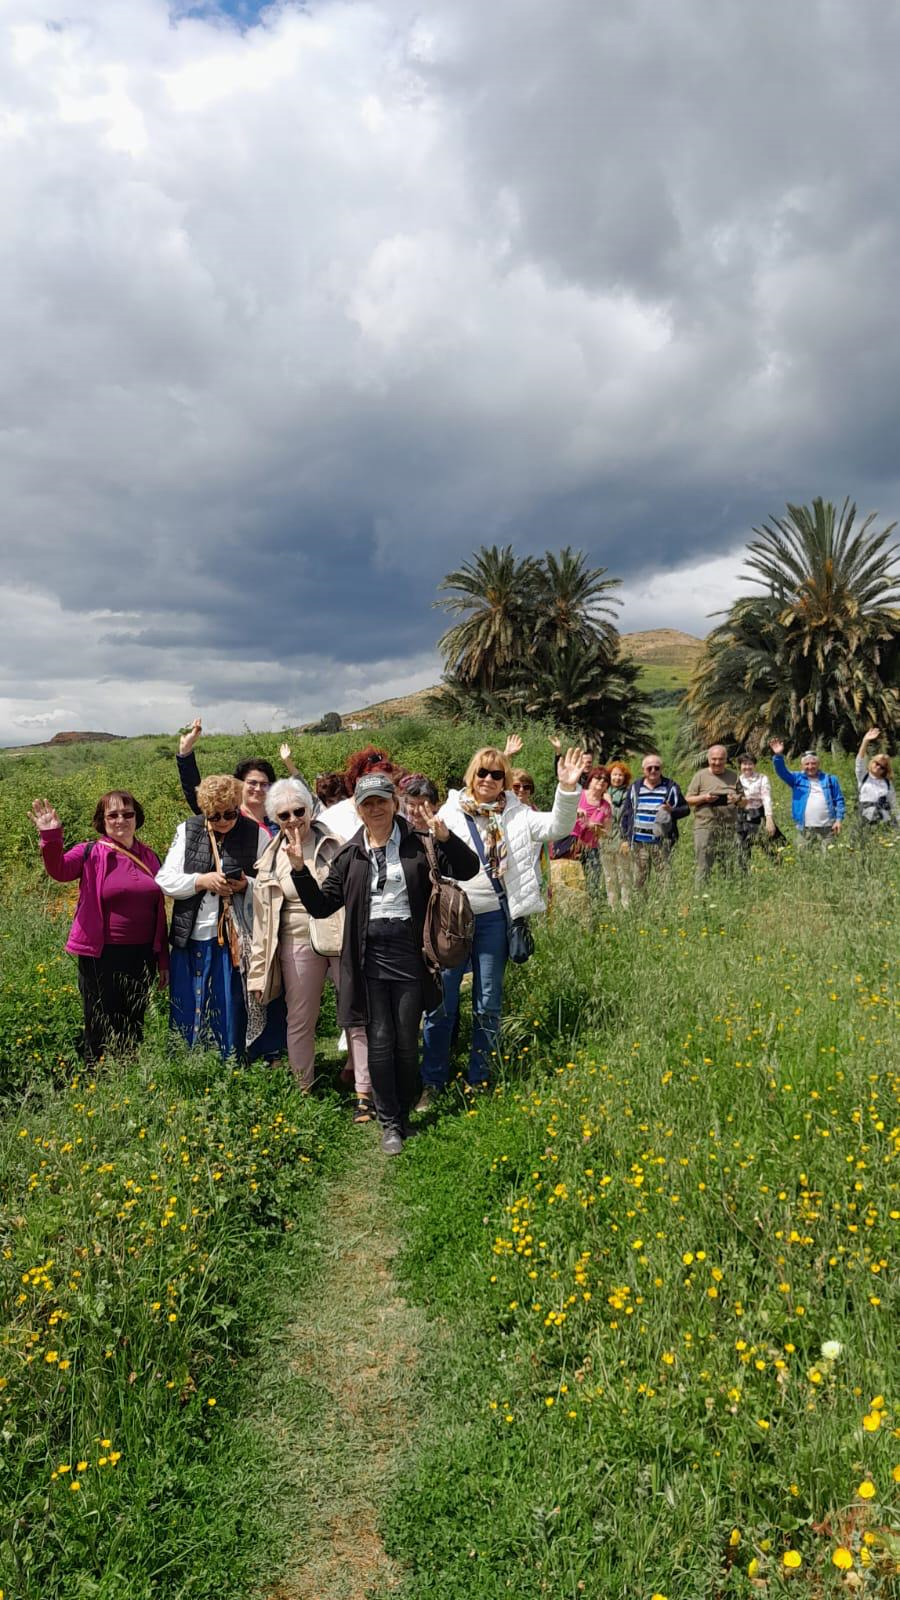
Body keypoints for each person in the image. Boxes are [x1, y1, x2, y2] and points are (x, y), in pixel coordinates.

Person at [287, 772, 480, 1154]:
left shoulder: (420, 843)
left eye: (381, 800)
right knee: (379, 1039)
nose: (375, 808)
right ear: (358, 810)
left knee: (406, 1040)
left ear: (394, 803)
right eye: (367, 803)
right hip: (367, 956)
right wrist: (299, 869)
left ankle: (404, 1112)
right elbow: (321, 906)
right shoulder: (349, 855)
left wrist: (446, 838)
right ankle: (389, 1121)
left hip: (410, 953)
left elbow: (469, 868)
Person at [418, 744, 584, 1102]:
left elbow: (558, 826)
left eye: (497, 774)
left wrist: (567, 789)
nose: (489, 780)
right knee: (442, 1001)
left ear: (505, 780)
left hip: (495, 919)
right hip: (454, 922)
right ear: (471, 775)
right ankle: (432, 1080)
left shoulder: (517, 814)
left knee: (488, 1002)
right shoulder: (450, 812)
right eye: (483, 773)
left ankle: (480, 1077)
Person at [247, 778, 373, 1119]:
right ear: (275, 818)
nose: (292, 820)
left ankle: (365, 1090)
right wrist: (259, 971)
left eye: (298, 811)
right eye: (283, 815)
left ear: (309, 808)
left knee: (356, 1015)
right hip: (296, 941)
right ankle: (303, 1087)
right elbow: (263, 920)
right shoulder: (270, 859)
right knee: (300, 1018)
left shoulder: (336, 845)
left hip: (340, 939)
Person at [31, 791, 168, 1064]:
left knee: (134, 1019)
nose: (121, 820)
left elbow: (160, 913)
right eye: (112, 815)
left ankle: (128, 1075)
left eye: (127, 814)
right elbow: (59, 870)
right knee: (100, 1020)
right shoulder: (89, 852)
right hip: (101, 954)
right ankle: (97, 1074)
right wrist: (50, 836)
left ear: (136, 818)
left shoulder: (150, 856)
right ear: (102, 821)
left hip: (142, 954)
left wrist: (163, 959)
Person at [157, 775, 268, 1060]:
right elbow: (165, 880)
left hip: (236, 937)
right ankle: (186, 1061)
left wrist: (246, 885)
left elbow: (273, 884)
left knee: (229, 1002)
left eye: (230, 813)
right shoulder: (188, 830)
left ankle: (229, 1061)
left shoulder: (257, 834)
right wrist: (201, 881)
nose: (223, 821)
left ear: (237, 805)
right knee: (189, 999)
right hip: (192, 935)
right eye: (214, 816)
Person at [177, 718, 281, 835]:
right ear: (239, 784)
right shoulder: (228, 816)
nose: (258, 788)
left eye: (264, 784)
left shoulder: (281, 818)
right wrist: (185, 753)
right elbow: (197, 796)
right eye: (252, 783)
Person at [619, 755, 689, 890]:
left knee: (664, 879)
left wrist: (671, 811)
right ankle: (640, 908)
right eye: (649, 768)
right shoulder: (635, 787)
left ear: (661, 769)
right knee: (639, 880)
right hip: (639, 843)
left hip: (661, 842)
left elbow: (685, 809)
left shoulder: (671, 787)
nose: (653, 771)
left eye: (656, 768)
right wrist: (624, 838)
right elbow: (626, 813)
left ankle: (664, 908)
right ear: (643, 770)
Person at [770, 741, 845, 847]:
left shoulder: (830, 779)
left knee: (829, 859)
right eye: (807, 764)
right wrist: (778, 755)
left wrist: (838, 820)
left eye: (813, 763)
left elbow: (839, 800)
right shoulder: (797, 779)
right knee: (804, 857)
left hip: (828, 827)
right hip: (806, 827)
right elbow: (782, 772)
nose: (810, 766)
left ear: (818, 764)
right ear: (802, 766)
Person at [686, 745, 740, 884]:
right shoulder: (700, 776)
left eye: (721, 759)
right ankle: (701, 898)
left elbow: (744, 802)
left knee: (728, 865)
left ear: (726, 759)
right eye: (714, 759)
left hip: (728, 827)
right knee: (703, 865)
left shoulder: (734, 776)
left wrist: (737, 799)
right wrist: (704, 798)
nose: (717, 762)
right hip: (705, 826)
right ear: (708, 759)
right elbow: (688, 799)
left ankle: (727, 893)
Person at [571, 766, 612, 909]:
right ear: (590, 780)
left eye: (605, 780)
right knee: (571, 880)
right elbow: (562, 813)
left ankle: (590, 910)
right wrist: (576, 811)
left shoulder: (606, 806)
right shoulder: (578, 795)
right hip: (572, 844)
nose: (601, 781)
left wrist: (597, 828)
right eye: (598, 778)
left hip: (592, 847)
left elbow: (608, 832)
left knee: (592, 881)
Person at [733, 752, 779, 866]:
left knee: (768, 847)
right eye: (744, 764)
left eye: (750, 764)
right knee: (742, 850)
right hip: (741, 818)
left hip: (758, 816)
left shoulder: (762, 778)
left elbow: (766, 798)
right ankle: (744, 875)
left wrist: (769, 819)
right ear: (740, 766)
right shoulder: (736, 780)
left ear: (754, 765)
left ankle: (779, 870)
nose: (747, 767)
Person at [855, 728, 900, 829]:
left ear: (885, 770)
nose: (879, 767)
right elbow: (860, 761)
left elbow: (894, 804)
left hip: (884, 821)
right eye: (877, 763)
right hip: (865, 819)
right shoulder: (863, 776)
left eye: (883, 767)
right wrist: (865, 741)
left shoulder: (887, 783)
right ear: (872, 762)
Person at [603, 760, 633, 908]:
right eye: (614, 775)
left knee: (624, 875)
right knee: (609, 876)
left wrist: (626, 839)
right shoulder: (603, 793)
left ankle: (626, 905)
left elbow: (626, 816)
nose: (617, 778)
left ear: (625, 777)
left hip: (622, 839)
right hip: (606, 840)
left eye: (620, 775)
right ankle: (613, 906)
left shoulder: (629, 794)